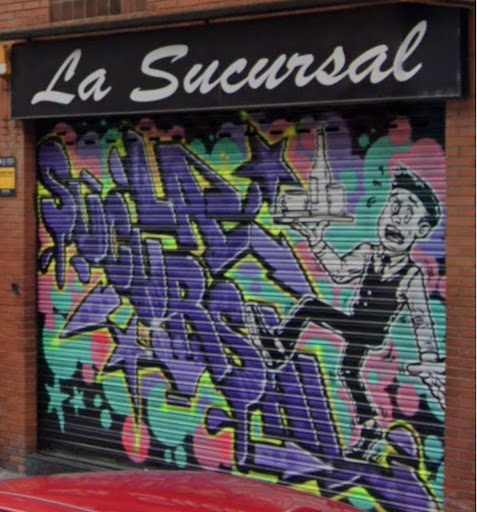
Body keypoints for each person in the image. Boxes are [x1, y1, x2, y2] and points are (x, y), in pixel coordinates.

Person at [245, 165, 445, 460]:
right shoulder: (368, 251)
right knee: (349, 373)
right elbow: (339, 272)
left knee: (310, 307)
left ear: (422, 230)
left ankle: (279, 349)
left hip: (369, 331)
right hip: (357, 326)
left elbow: (421, 319)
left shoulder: (411, 275)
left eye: (408, 213)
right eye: (394, 207)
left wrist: (429, 358)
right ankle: (370, 430)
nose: (396, 219)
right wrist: (317, 241)